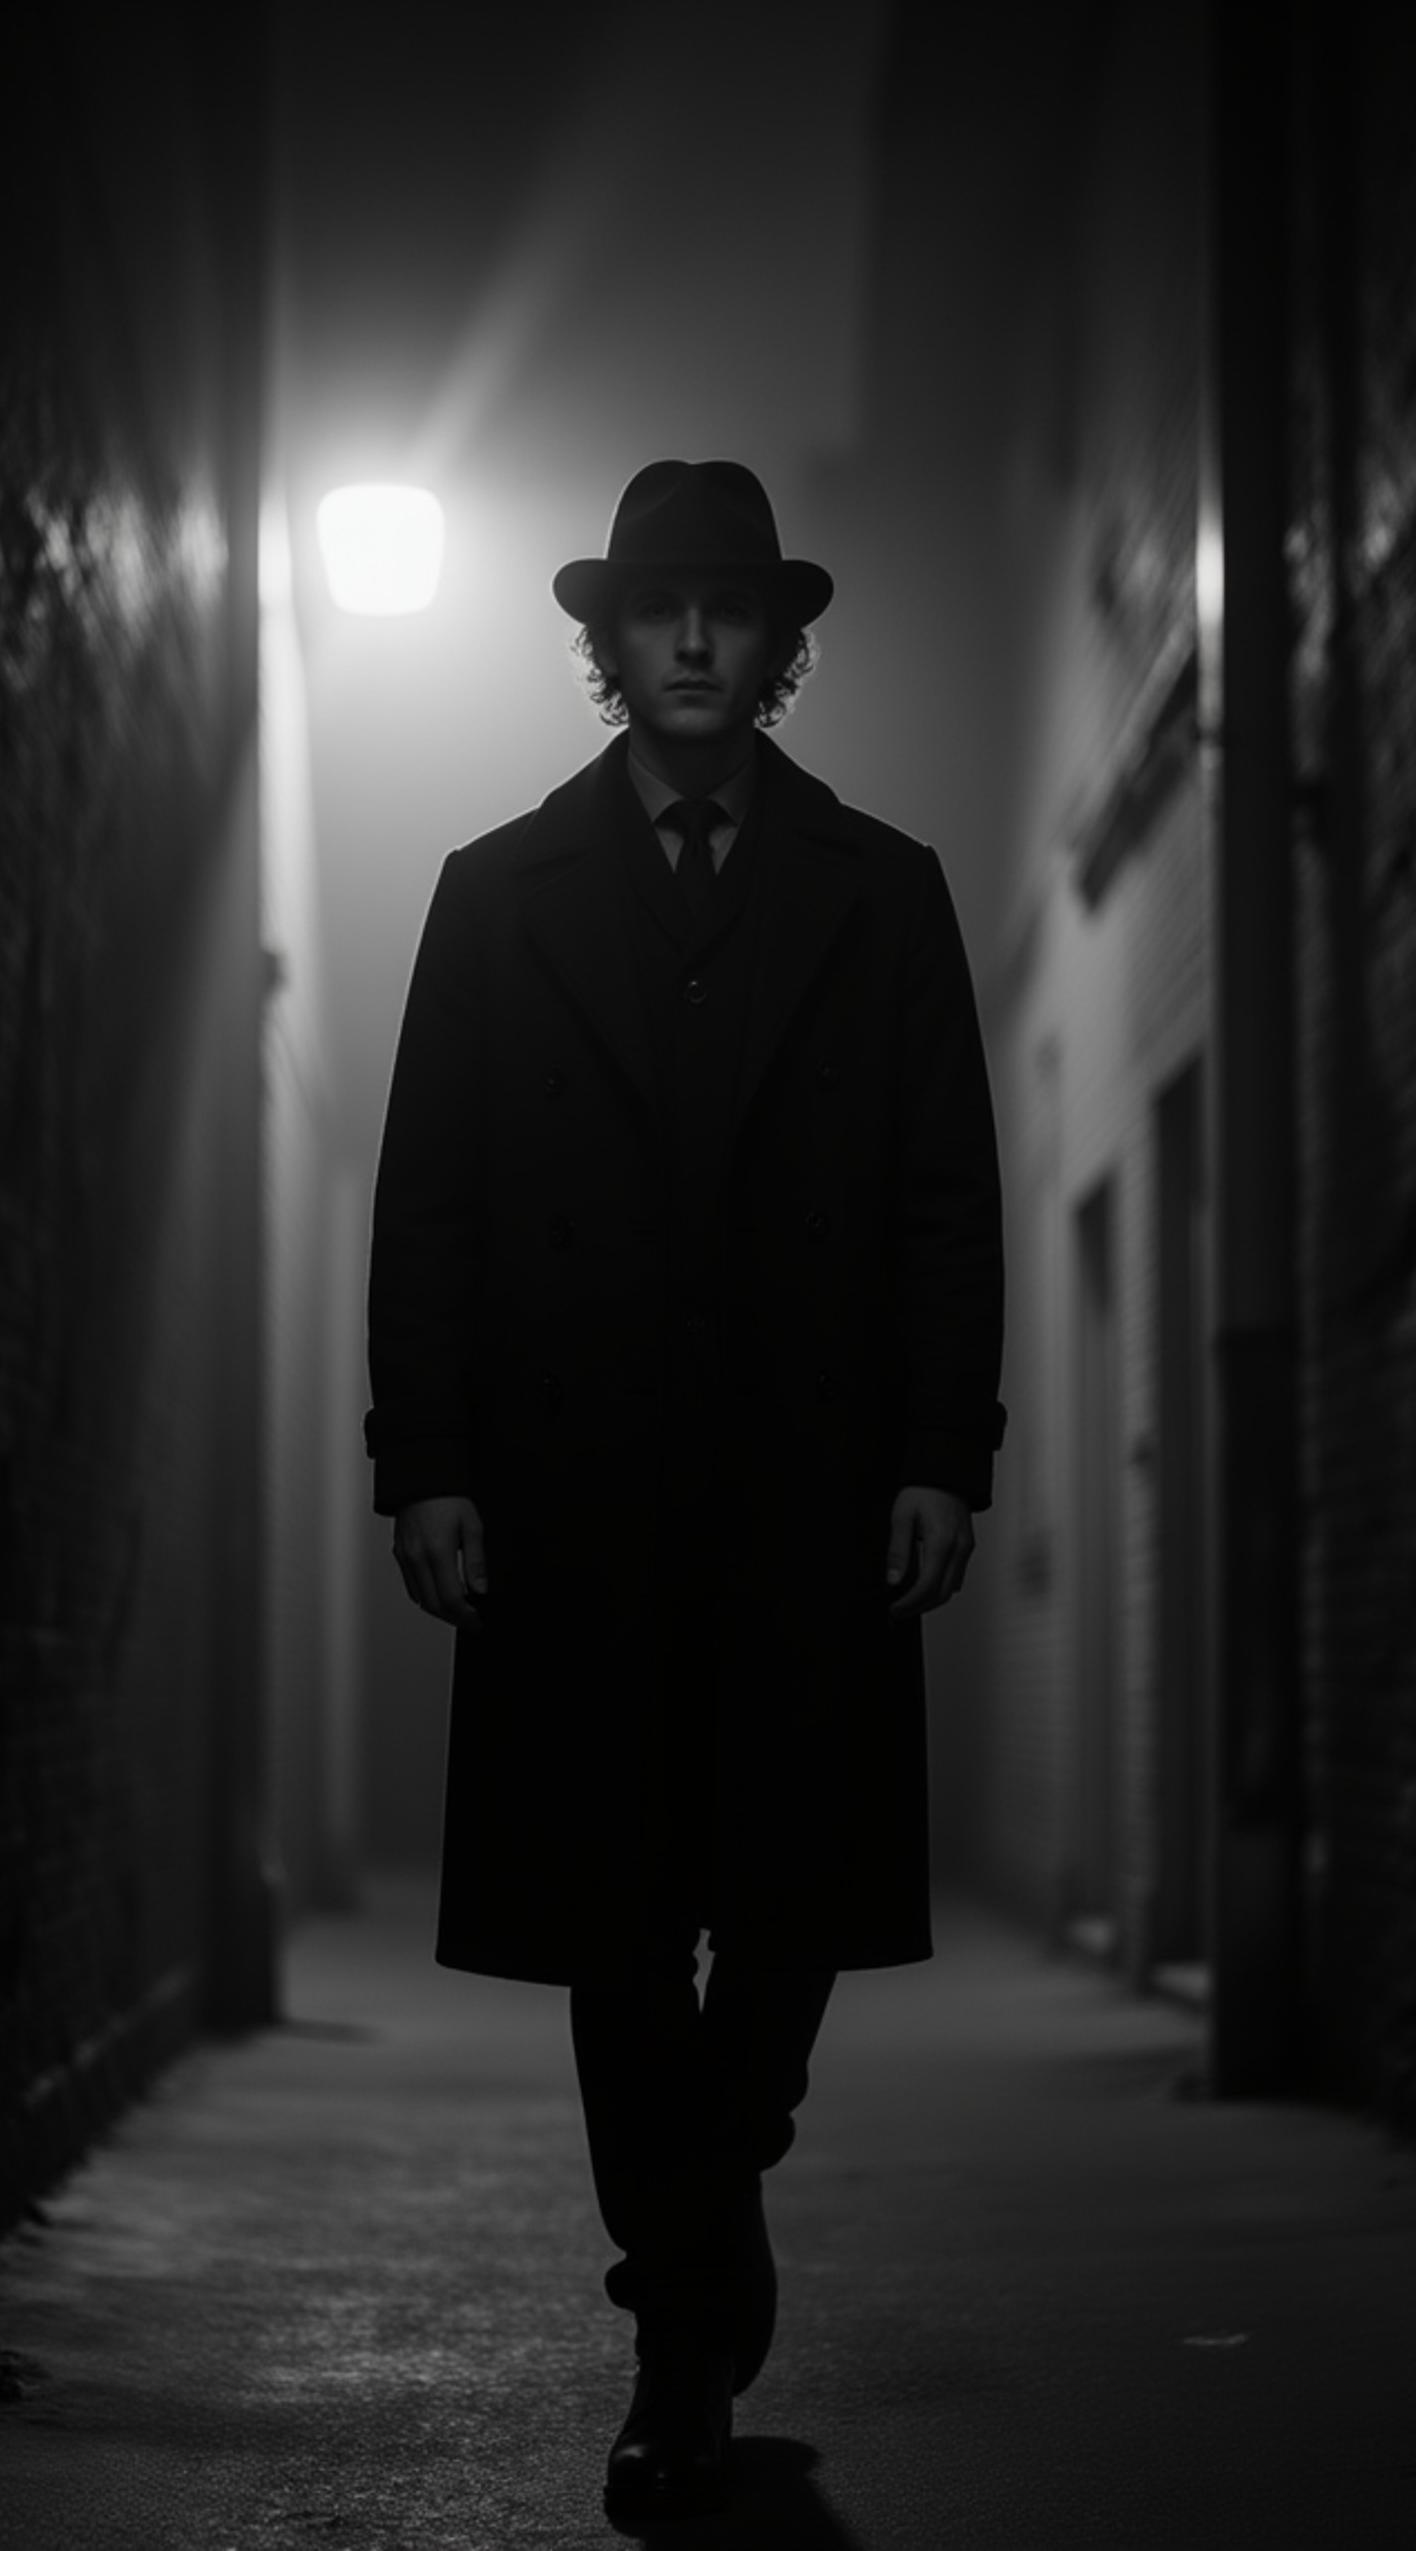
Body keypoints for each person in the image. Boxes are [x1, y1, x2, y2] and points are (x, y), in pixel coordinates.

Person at [365, 459, 1005, 2517]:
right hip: (576, 1482)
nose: (702, 641)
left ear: (777, 639)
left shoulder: (881, 887)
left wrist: (940, 1447)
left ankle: (710, 2185)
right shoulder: (495, 890)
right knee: (620, 1925)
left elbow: (942, 1199)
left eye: (732, 608)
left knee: (792, 1893)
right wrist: (430, 1459)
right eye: (664, 610)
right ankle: (682, 2343)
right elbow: (431, 1201)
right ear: (612, 641)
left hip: (811, 1474)